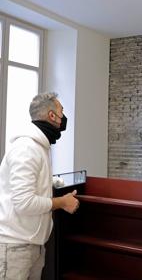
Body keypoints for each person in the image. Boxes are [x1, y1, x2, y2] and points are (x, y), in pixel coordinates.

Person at [0, 92, 79, 280]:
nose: (63, 117)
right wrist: (62, 202)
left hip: (32, 245)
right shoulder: (27, 149)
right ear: (52, 116)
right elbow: (23, 202)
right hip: (15, 247)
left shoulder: (40, 146)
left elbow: (30, 185)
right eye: (62, 111)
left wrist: (51, 183)